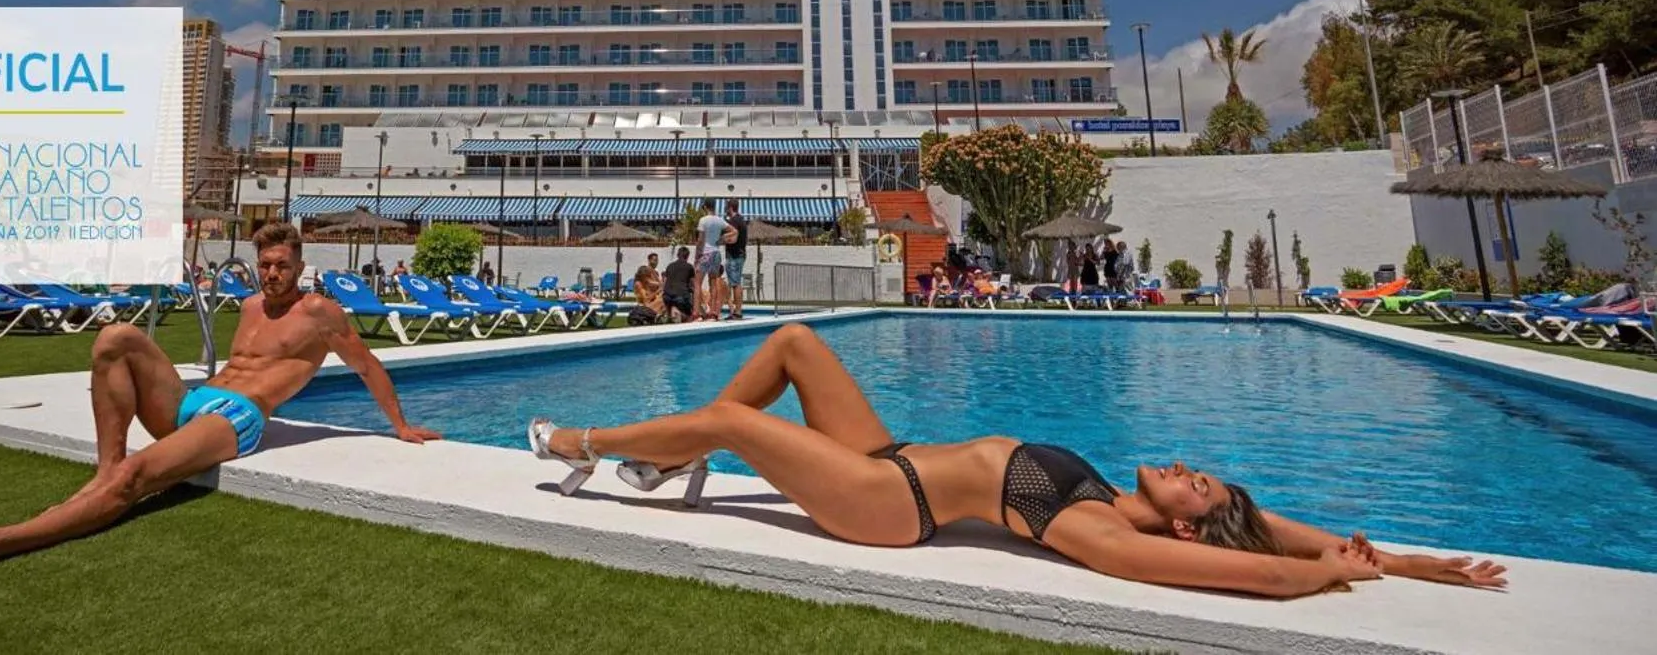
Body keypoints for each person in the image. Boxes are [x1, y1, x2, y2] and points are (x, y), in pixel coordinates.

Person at [527, 325, 1507, 597]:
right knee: (793, 343)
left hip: (880, 503)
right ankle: (665, 462)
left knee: (732, 425)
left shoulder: (1097, 531)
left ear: (1177, 518)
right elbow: (1262, 524)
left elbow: (1238, 560)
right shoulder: (1130, 498)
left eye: (1192, 481)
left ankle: (589, 447)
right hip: (894, 456)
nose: (1183, 463)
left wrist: (1309, 581)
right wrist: (1397, 560)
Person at [0, 221, 442, 575]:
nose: (273, 273)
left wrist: (399, 425)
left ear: (299, 266)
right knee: (115, 338)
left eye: (282, 264)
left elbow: (367, 365)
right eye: (266, 264)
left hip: (236, 420)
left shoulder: (320, 313)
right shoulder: (252, 305)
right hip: (194, 403)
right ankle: (106, 468)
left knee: (135, 481)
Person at [693, 198, 734, 322]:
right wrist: (722, 238)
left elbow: (700, 240)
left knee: (697, 283)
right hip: (716, 253)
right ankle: (713, 313)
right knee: (713, 283)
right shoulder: (720, 220)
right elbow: (734, 231)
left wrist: (697, 256)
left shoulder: (703, 220)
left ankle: (696, 314)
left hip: (705, 253)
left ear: (705, 207)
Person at [721, 199, 749, 321]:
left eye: (726, 206)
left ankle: (737, 312)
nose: (725, 208)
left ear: (730, 207)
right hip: (740, 254)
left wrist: (722, 240)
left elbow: (734, 238)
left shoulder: (734, 221)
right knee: (736, 283)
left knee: (735, 283)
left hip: (734, 256)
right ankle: (738, 310)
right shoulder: (741, 220)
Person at [660, 245, 696, 323]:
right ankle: (679, 314)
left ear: (677, 255)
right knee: (690, 316)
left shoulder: (670, 266)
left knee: (672, 304)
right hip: (680, 297)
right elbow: (693, 285)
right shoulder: (689, 267)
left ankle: (668, 315)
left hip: (666, 296)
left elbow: (664, 282)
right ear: (687, 256)